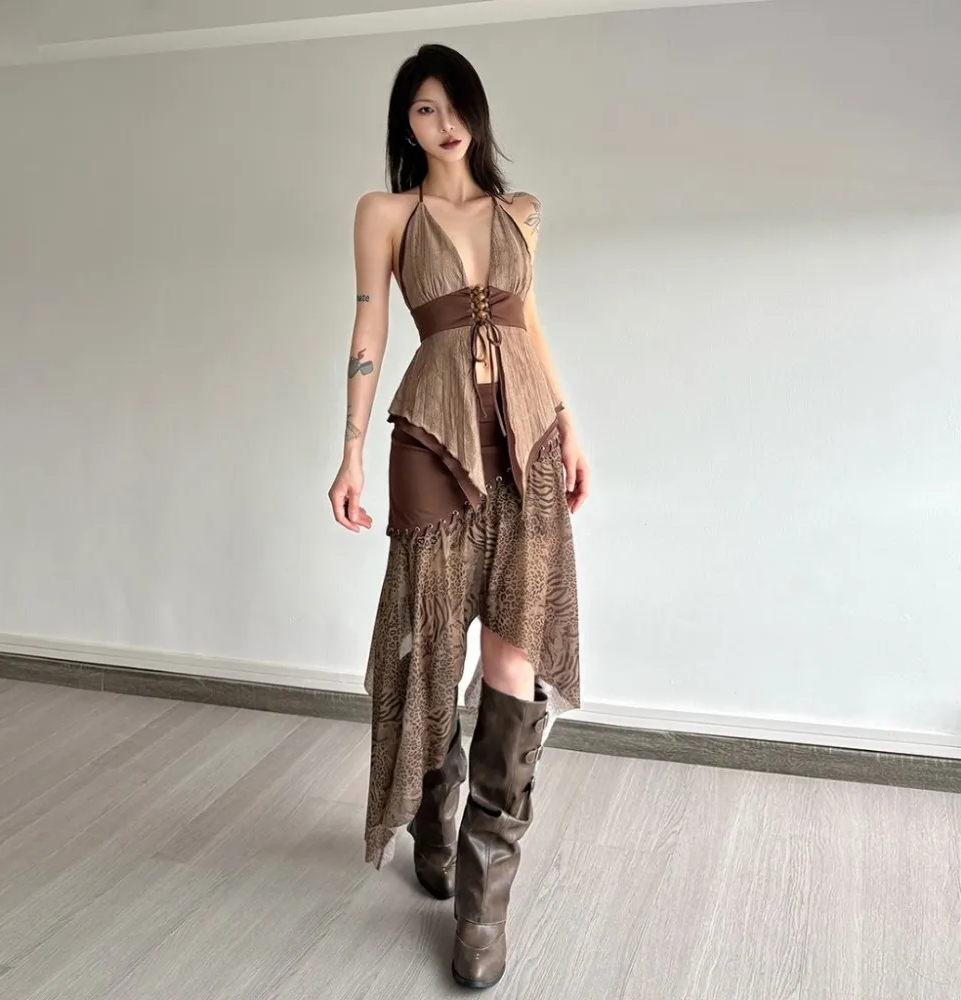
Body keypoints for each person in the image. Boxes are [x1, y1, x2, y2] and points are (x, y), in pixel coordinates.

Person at [327, 42, 587, 990]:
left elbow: (530, 325)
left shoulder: (522, 213)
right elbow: (369, 326)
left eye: (457, 105)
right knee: (430, 646)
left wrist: (571, 427)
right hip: (433, 442)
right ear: (408, 123)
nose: (446, 124)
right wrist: (352, 451)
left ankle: (483, 907)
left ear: (478, 113)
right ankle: (431, 820)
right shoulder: (387, 212)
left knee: (514, 658)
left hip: (527, 446)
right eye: (426, 110)